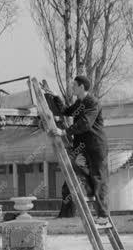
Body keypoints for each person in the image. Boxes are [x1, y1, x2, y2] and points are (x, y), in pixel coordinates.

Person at [43, 75, 110, 225]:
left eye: (74, 85)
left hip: (96, 146)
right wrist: (54, 97)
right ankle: (93, 195)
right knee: (78, 168)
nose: (72, 87)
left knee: (99, 178)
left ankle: (103, 215)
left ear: (81, 87)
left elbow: (85, 124)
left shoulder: (93, 103)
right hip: (83, 147)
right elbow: (66, 111)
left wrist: (64, 132)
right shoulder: (80, 102)